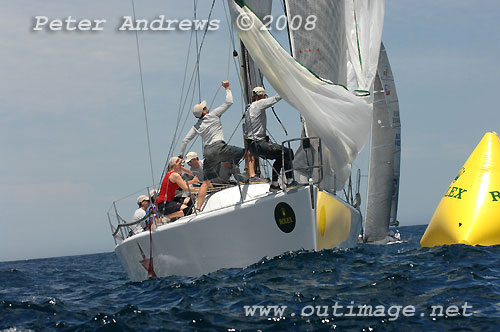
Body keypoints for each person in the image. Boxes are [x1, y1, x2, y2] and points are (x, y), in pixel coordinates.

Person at [180, 80, 245, 193]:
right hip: (218, 147)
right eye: (205, 107)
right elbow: (229, 102)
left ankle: (201, 204)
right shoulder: (213, 115)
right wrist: (227, 88)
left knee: (206, 181)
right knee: (244, 152)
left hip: (207, 152)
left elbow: (185, 141)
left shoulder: (196, 126)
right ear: (204, 112)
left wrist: (181, 155)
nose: (206, 107)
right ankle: (240, 177)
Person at [245, 86, 295, 192]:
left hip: (253, 146)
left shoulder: (249, 108)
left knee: (280, 156)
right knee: (288, 152)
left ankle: (274, 184)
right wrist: (286, 86)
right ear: (262, 96)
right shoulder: (259, 104)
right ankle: (290, 181)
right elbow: (276, 98)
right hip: (259, 144)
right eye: (264, 96)